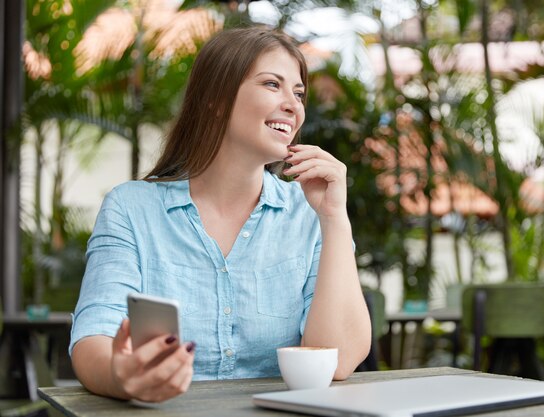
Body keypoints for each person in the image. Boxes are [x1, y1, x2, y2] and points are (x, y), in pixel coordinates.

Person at [69, 26, 371, 403]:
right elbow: (93, 338)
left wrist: (334, 220)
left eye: (298, 93)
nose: (294, 106)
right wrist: (122, 375)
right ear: (216, 99)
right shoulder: (131, 209)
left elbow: (337, 361)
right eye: (272, 85)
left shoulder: (308, 214)